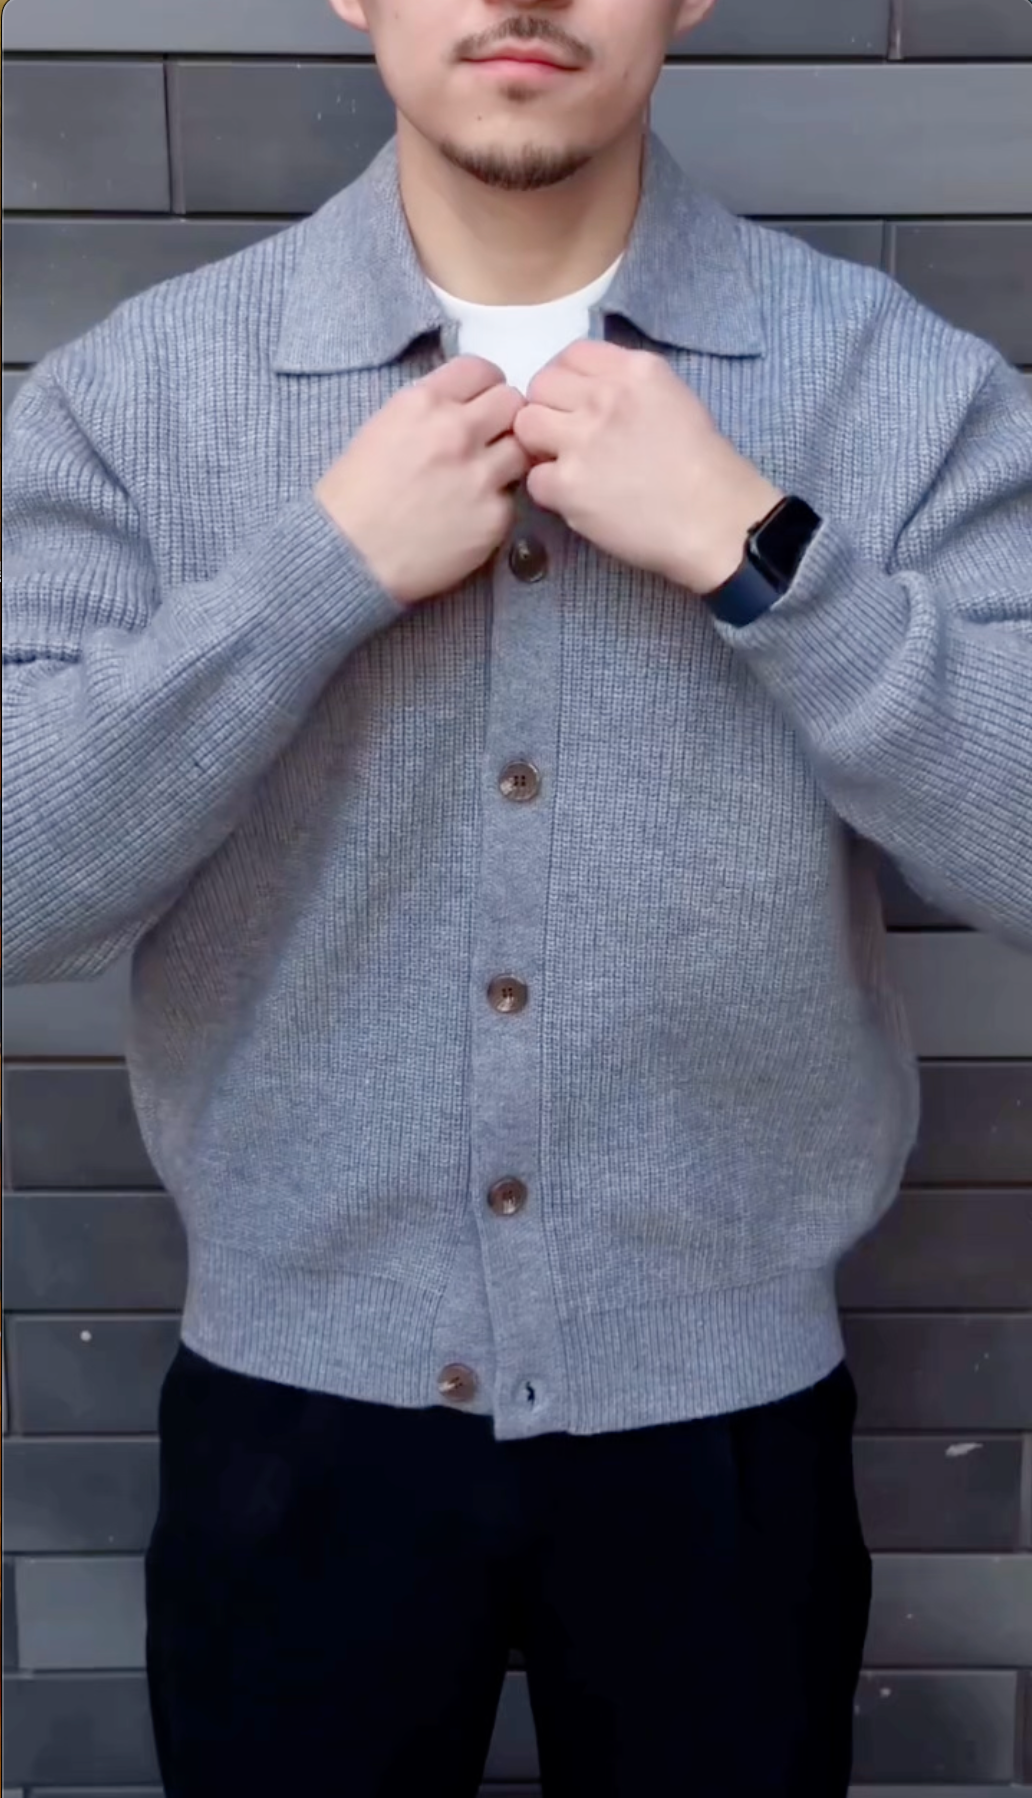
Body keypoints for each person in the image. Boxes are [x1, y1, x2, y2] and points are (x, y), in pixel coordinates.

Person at [4, 0, 1031, 1791]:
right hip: (288, 1432)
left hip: (729, 1441)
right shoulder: (137, 391)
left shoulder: (898, 384)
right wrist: (316, 575)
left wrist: (764, 555)